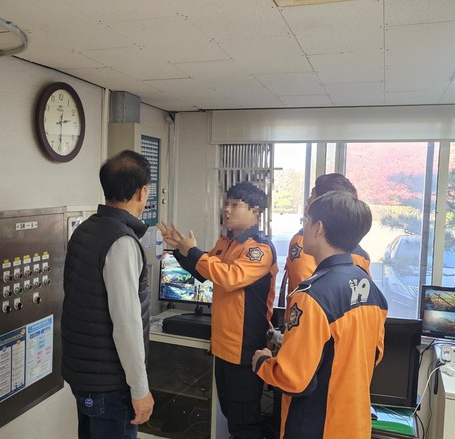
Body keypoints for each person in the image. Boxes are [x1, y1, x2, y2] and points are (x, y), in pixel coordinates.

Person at [252, 190, 388, 439]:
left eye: (307, 221)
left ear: (319, 228)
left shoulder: (312, 296)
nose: (303, 229)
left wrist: (263, 362)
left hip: (318, 426)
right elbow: (375, 355)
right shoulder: (372, 290)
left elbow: (294, 378)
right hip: (355, 425)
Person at [159, 181, 277, 439]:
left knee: (244, 423)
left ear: (255, 211)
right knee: (230, 414)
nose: (227, 210)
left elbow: (230, 277)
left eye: (235, 205)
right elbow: (205, 271)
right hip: (223, 345)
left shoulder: (259, 249)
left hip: (244, 349)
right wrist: (180, 251)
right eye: (227, 204)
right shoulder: (226, 242)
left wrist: (193, 251)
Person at [61, 150, 154, 439]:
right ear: (141, 192)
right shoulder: (121, 242)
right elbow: (126, 324)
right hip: (110, 382)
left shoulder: (86, 229)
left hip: (85, 372)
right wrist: (140, 389)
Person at [281, 173, 371, 305]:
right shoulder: (361, 254)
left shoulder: (305, 243)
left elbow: (306, 295)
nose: (308, 199)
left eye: (312, 194)